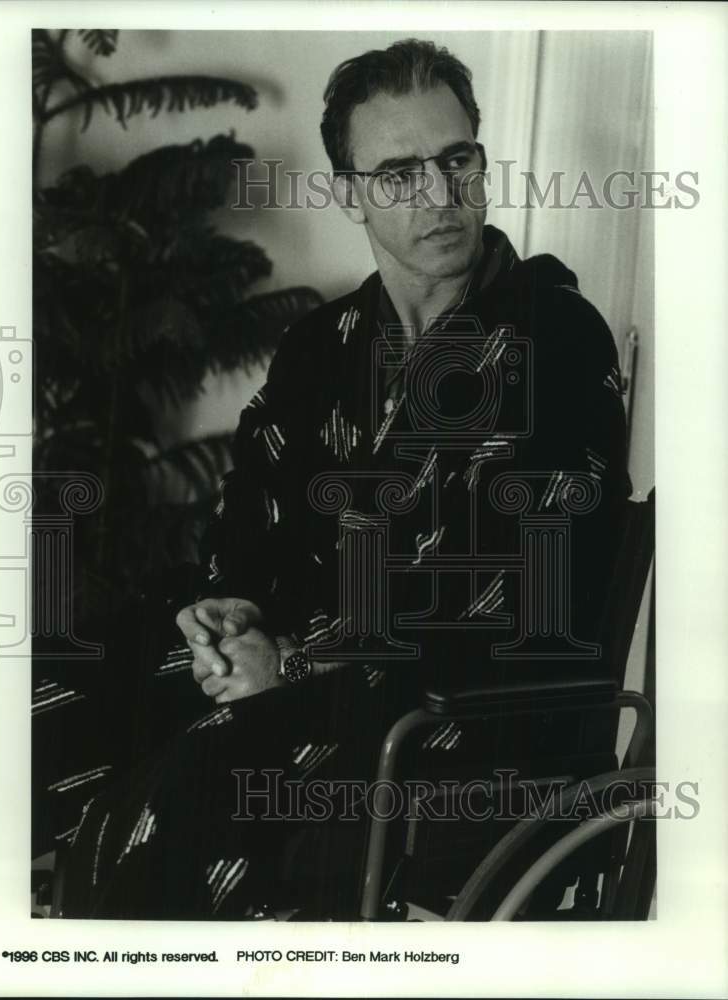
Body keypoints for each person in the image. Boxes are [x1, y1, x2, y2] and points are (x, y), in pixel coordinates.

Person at [59, 38, 631, 919]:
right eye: (399, 172)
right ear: (349, 192)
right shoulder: (321, 350)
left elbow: (506, 595)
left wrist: (289, 665)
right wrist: (229, 610)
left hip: (455, 713)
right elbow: (248, 520)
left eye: (456, 159)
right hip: (298, 673)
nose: (439, 194)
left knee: (179, 796)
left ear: (480, 160)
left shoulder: (554, 339)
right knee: (44, 706)